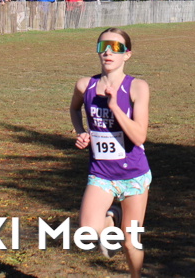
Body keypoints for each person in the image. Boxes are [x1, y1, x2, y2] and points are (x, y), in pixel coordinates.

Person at [69, 28, 151, 278]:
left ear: (127, 54)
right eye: (102, 47)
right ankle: (111, 219)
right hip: (101, 174)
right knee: (87, 232)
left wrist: (114, 107)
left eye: (115, 48)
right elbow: (74, 109)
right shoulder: (85, 85)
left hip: (134, 175)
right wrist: (81, 132)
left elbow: (139, 137)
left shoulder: (137, 87)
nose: (107, 52)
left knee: (130, 242)